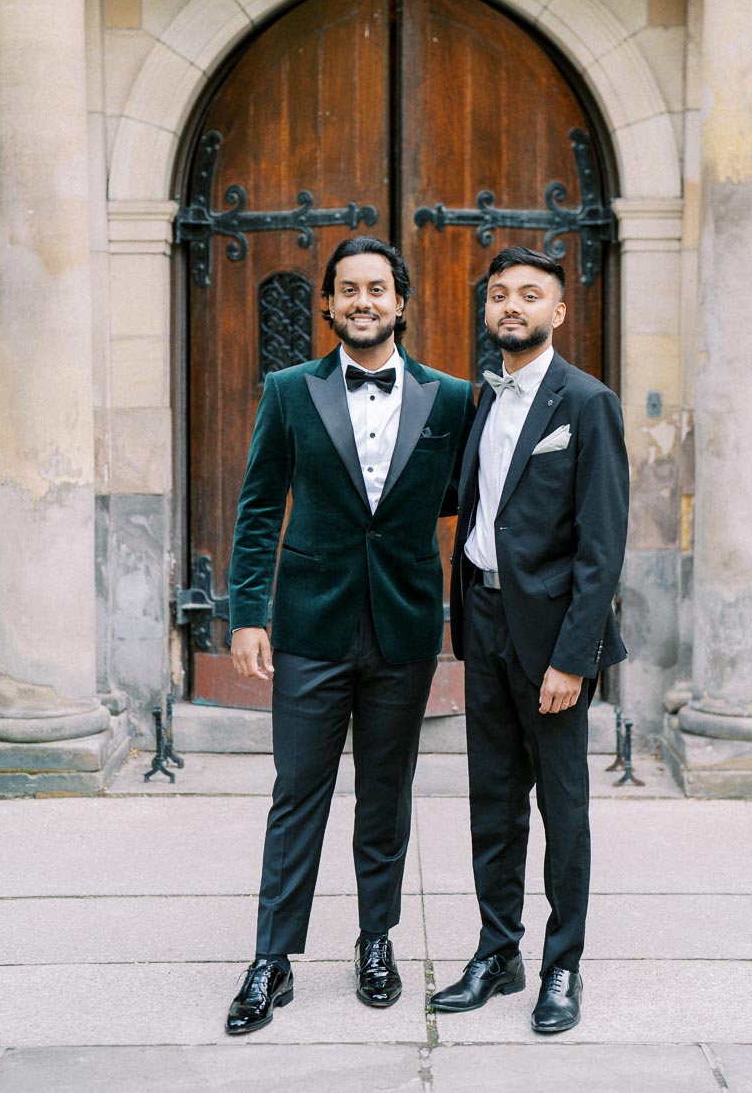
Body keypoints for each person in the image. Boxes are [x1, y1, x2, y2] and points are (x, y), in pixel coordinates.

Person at [224, 235, 475, 1035]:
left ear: (402, 302)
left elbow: (467, 501)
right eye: (348, 290)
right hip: (310, 626)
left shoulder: (453, 398)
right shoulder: (290, 390)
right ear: (327, 305)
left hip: (402, 626)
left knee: (386, 796)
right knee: (298, 793)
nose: (363, 301)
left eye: (378, 288)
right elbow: (260, 506)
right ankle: (272, 958)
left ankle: (377, 941)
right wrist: (247, 616)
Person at [430, 245, 629, 1035]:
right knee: (493, 798)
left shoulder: (587, 403)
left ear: (558, 311)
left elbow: (601, 544)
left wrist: (573, 659)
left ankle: (563, 965)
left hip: (551, 639)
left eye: (529, 295)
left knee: (563, 806)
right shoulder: (483, 401)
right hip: (482, 619)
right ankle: (497, 951)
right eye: (500, 295)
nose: (511, 306)